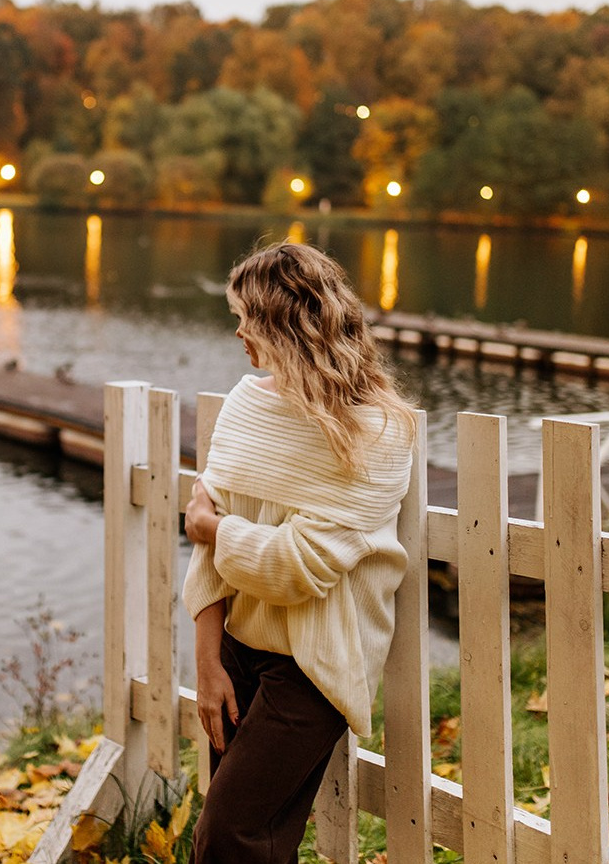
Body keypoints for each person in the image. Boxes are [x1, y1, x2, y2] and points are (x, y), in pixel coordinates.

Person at [183, 241, 416, 864]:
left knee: (226, 836)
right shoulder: (246, 404)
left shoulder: (378, 431)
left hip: (313, 666)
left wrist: (213, 531)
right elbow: (208, 537)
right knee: (261, 841)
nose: (237, 332)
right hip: (237, 649)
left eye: (246, 317)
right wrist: (208, 663)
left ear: (286, 324)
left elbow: (299, 565)